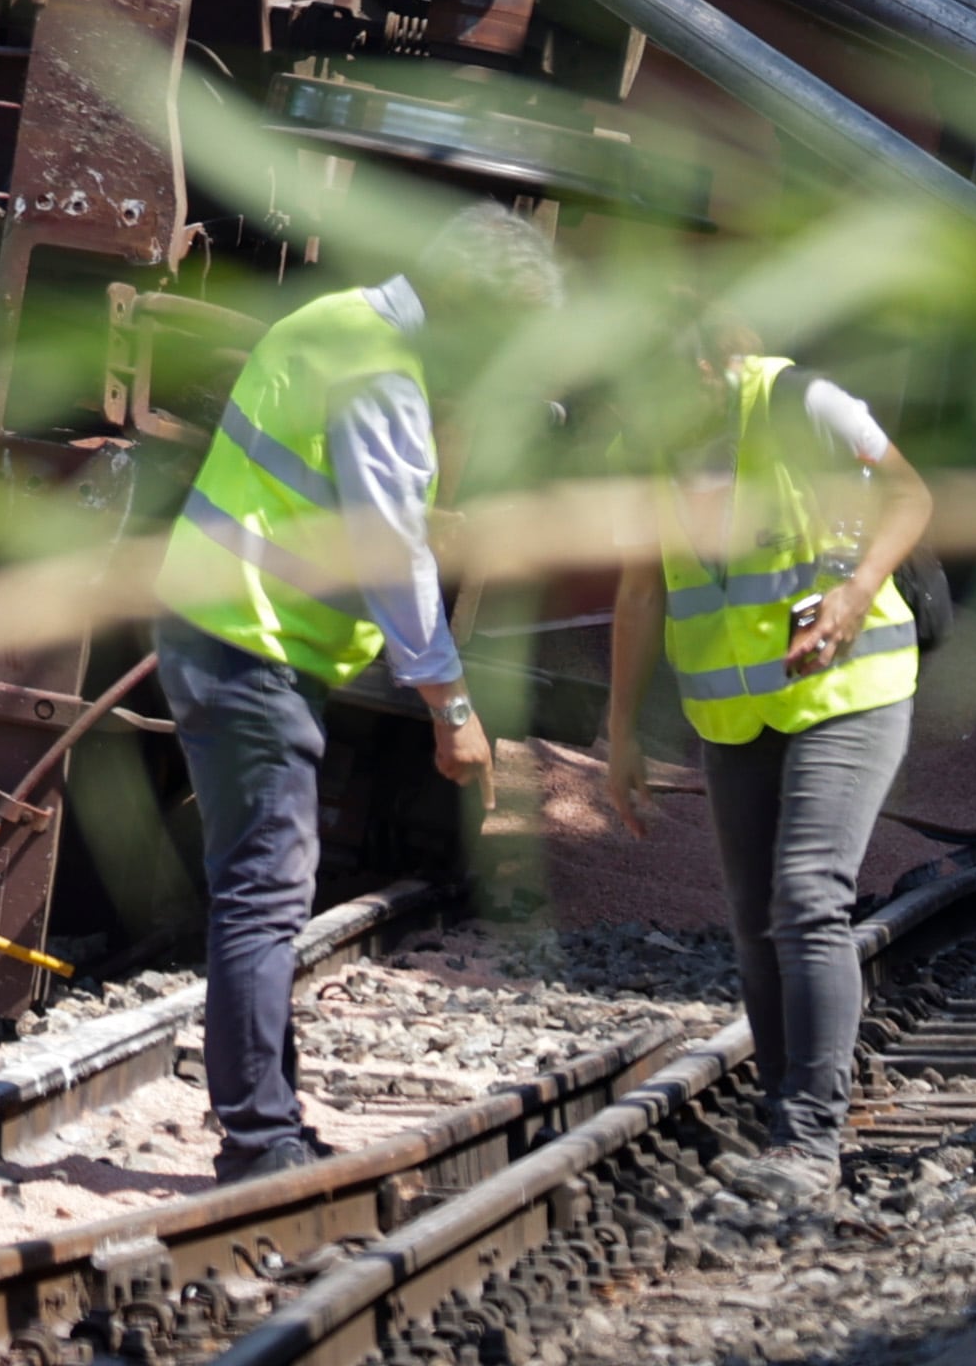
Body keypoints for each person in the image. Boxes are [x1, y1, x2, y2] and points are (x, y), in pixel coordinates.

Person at [149, 212, 542, 1182]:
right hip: (249, 643)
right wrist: (452, 707)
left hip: (232, 631)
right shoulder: (381, 373)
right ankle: (257, 1138)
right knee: (266, 888)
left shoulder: (336, 322)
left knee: (263, 881)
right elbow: (391, 555)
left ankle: (268, 1114)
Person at [604, 305, 933, 1205]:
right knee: (755, 918)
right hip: (735, 715)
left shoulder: (803, 402)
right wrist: (622, 733)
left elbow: (911, 496)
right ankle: (790, 1116)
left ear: (720, 364)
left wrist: (859, 591)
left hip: (847, 691)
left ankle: (809, 1140)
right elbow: (640, 590)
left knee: (807, 895)